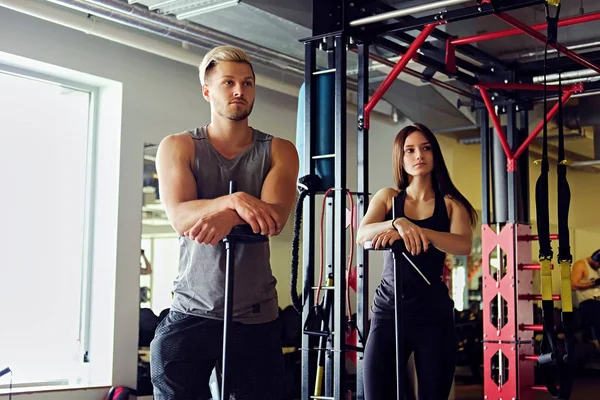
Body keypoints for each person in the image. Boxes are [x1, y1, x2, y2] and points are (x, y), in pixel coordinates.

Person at [150, 45, 299, 400]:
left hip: (255, 316)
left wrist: (228, 214)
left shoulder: (279, 150)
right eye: (229, 82)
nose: (239, 91)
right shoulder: (178, 146)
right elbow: (180, 217)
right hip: (192, 309)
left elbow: (273, 219)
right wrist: (235, 200)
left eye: (247, 84)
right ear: (207, 91)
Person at [356, 123, 476, 400]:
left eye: (425, 148)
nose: (418, 155)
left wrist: (422, 232)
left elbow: (463, 244)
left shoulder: (450, 203)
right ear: (401, 157)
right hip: (388, 312)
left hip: (432, 315)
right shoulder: (388, 198)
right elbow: (363, 234)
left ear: (435, 154)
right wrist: (399, 222)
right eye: (409, 150)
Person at [571, 249, 600, 353]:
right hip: (588, 303)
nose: (598, 267)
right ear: (594, 259)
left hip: (597, 302)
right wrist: (593, 284)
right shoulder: (581, 265)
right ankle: (595, 343)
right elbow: (573, 285)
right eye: (598, 264)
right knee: (595, 311)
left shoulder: (597, 268)